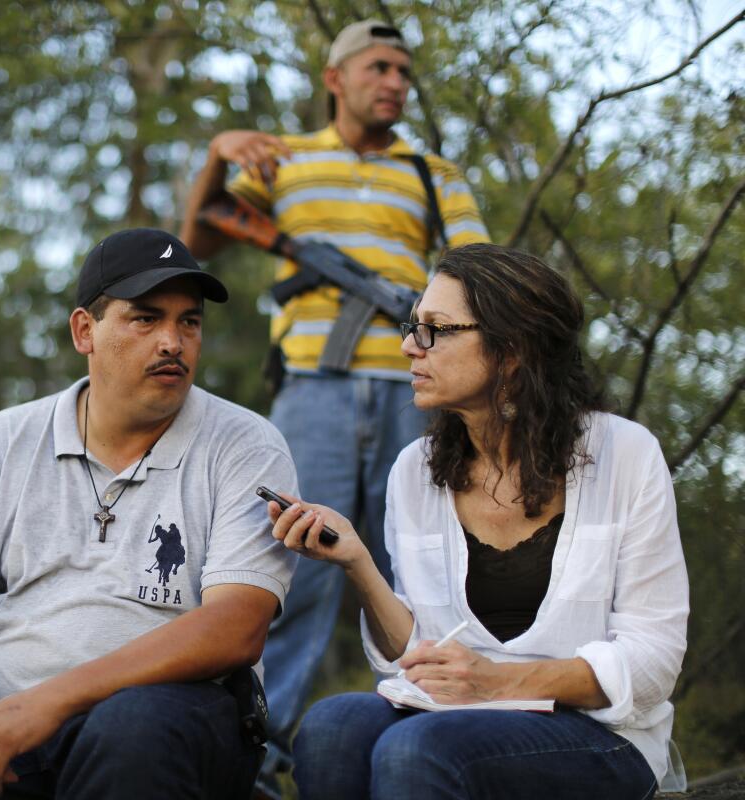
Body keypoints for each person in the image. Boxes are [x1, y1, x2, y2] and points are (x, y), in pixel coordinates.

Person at [0, 228, 299, 800]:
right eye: (145, 319)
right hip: (10, 732)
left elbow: (237, 628)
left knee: (131, 729)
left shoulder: (246, 444)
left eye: (188, 322)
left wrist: (53, 700)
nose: (173, 341)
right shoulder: (0, 442)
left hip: (176, 721)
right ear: (84, 331)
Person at [179, 19, 490, 788]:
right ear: (336, 78)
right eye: (378, 67)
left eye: (404, 71)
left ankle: (435, 735)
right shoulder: (284, 160)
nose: (394, 82)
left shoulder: (431, 171)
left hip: (415, 390)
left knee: (419, 567)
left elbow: (483, 272)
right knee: (289, 565)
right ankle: (252, 752)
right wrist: (219, 154)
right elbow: (201, 237)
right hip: (312, 383)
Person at [266, 243, 688, 799]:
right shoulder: (415, 471)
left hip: (599, 733)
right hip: (452, 718)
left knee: (416, 749)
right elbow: (419, 654)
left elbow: (654, 660)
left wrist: (495, 682)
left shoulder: (625, 454)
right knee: (332, 728)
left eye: (435, 329)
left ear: (511, 351)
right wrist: (356, 561)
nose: (409, 347)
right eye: (412, 325)